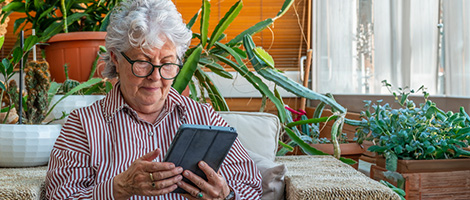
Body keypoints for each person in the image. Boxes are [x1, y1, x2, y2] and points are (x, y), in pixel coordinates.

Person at [45, 0, 262, 199]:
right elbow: (59, 195)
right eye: (142, 62)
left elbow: (251, 186)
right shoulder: (83, 125)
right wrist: (118, 188)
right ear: (115, 58)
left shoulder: (204, 118)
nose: (155, 76)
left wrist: (227, 196)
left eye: (167, 63)